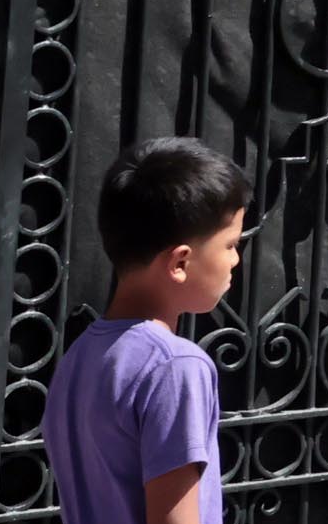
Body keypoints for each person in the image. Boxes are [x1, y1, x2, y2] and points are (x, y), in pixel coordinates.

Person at [47, 136, 251, 524]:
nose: (235, 260)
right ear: (180, 263)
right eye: (230, 244)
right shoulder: (177, 366)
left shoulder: (79, 358)